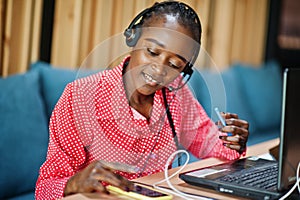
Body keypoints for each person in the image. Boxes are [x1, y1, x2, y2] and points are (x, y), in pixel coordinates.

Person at [35, 1, 249, 199]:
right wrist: (73, 184)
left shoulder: (176, 95)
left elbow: (213, 147)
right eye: (152, 51)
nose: (159, 69)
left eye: (175, 64)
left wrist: (234, 142)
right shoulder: (80, 97)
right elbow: (44, 189)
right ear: (132, 37)